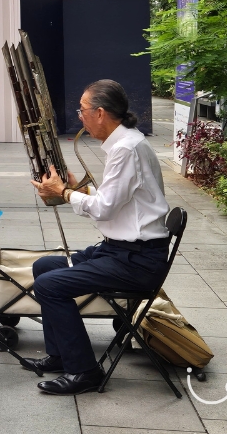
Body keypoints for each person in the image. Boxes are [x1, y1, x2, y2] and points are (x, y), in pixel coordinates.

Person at [26, 80, 169, 396]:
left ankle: (85, 371)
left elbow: (105, 210)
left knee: (49, 286)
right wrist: (77, 191)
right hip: (122, 250)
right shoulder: (127, 144)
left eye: (83, 110)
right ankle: (61, 353)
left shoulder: (126, 149)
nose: (80, 116)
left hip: (136, 260)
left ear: (101, 113)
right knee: (44, 267)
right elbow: (117, 201)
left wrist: (64, 194)